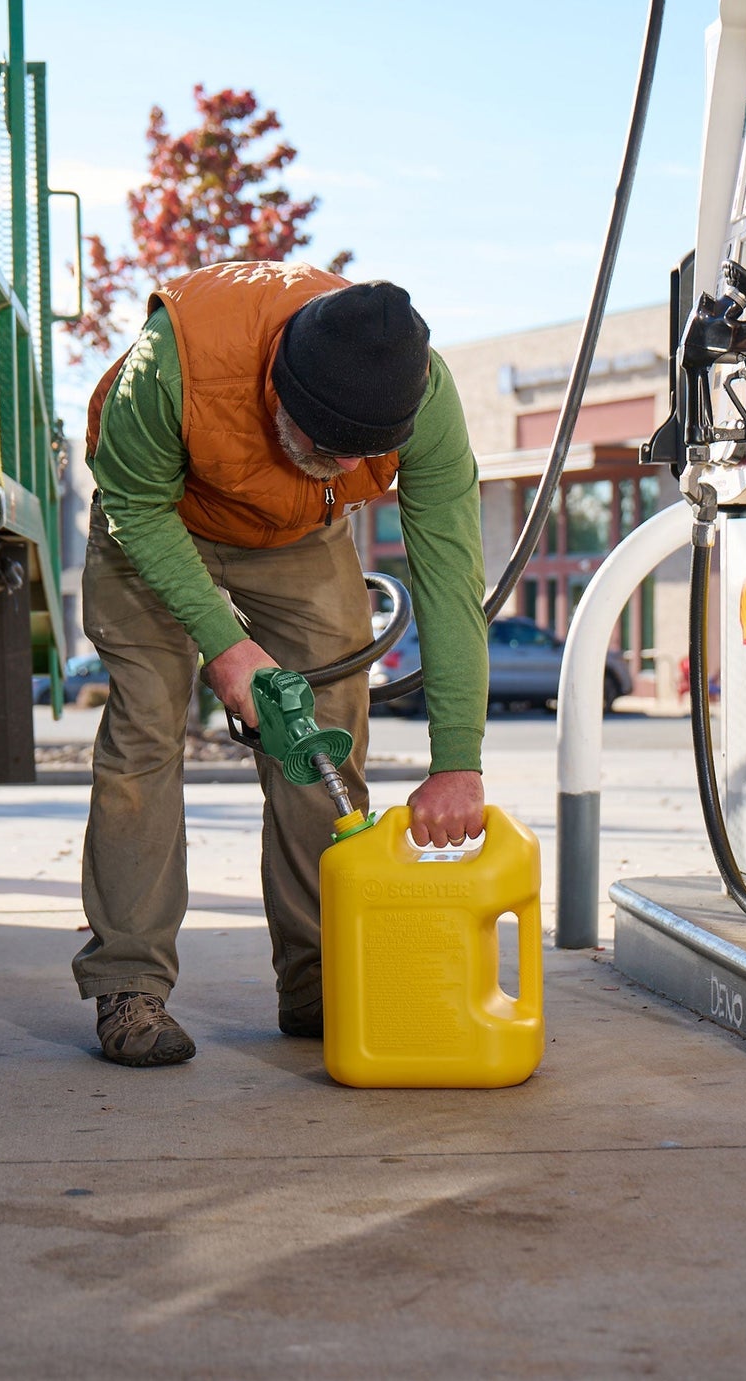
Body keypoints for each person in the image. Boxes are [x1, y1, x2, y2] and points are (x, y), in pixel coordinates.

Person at [75, 260, 489, 1067]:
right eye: (323, 444)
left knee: (324, 732)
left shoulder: (423, 396)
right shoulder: (180, 360)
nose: (340, 466)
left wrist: (458, 762)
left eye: (358, 456)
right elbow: (132, 504)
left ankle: (321, 980)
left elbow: (448, 576)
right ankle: (128, 985)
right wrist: (225, 645)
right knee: (147, 723)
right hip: (159, 516)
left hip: (294, 536)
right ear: (277, 392)